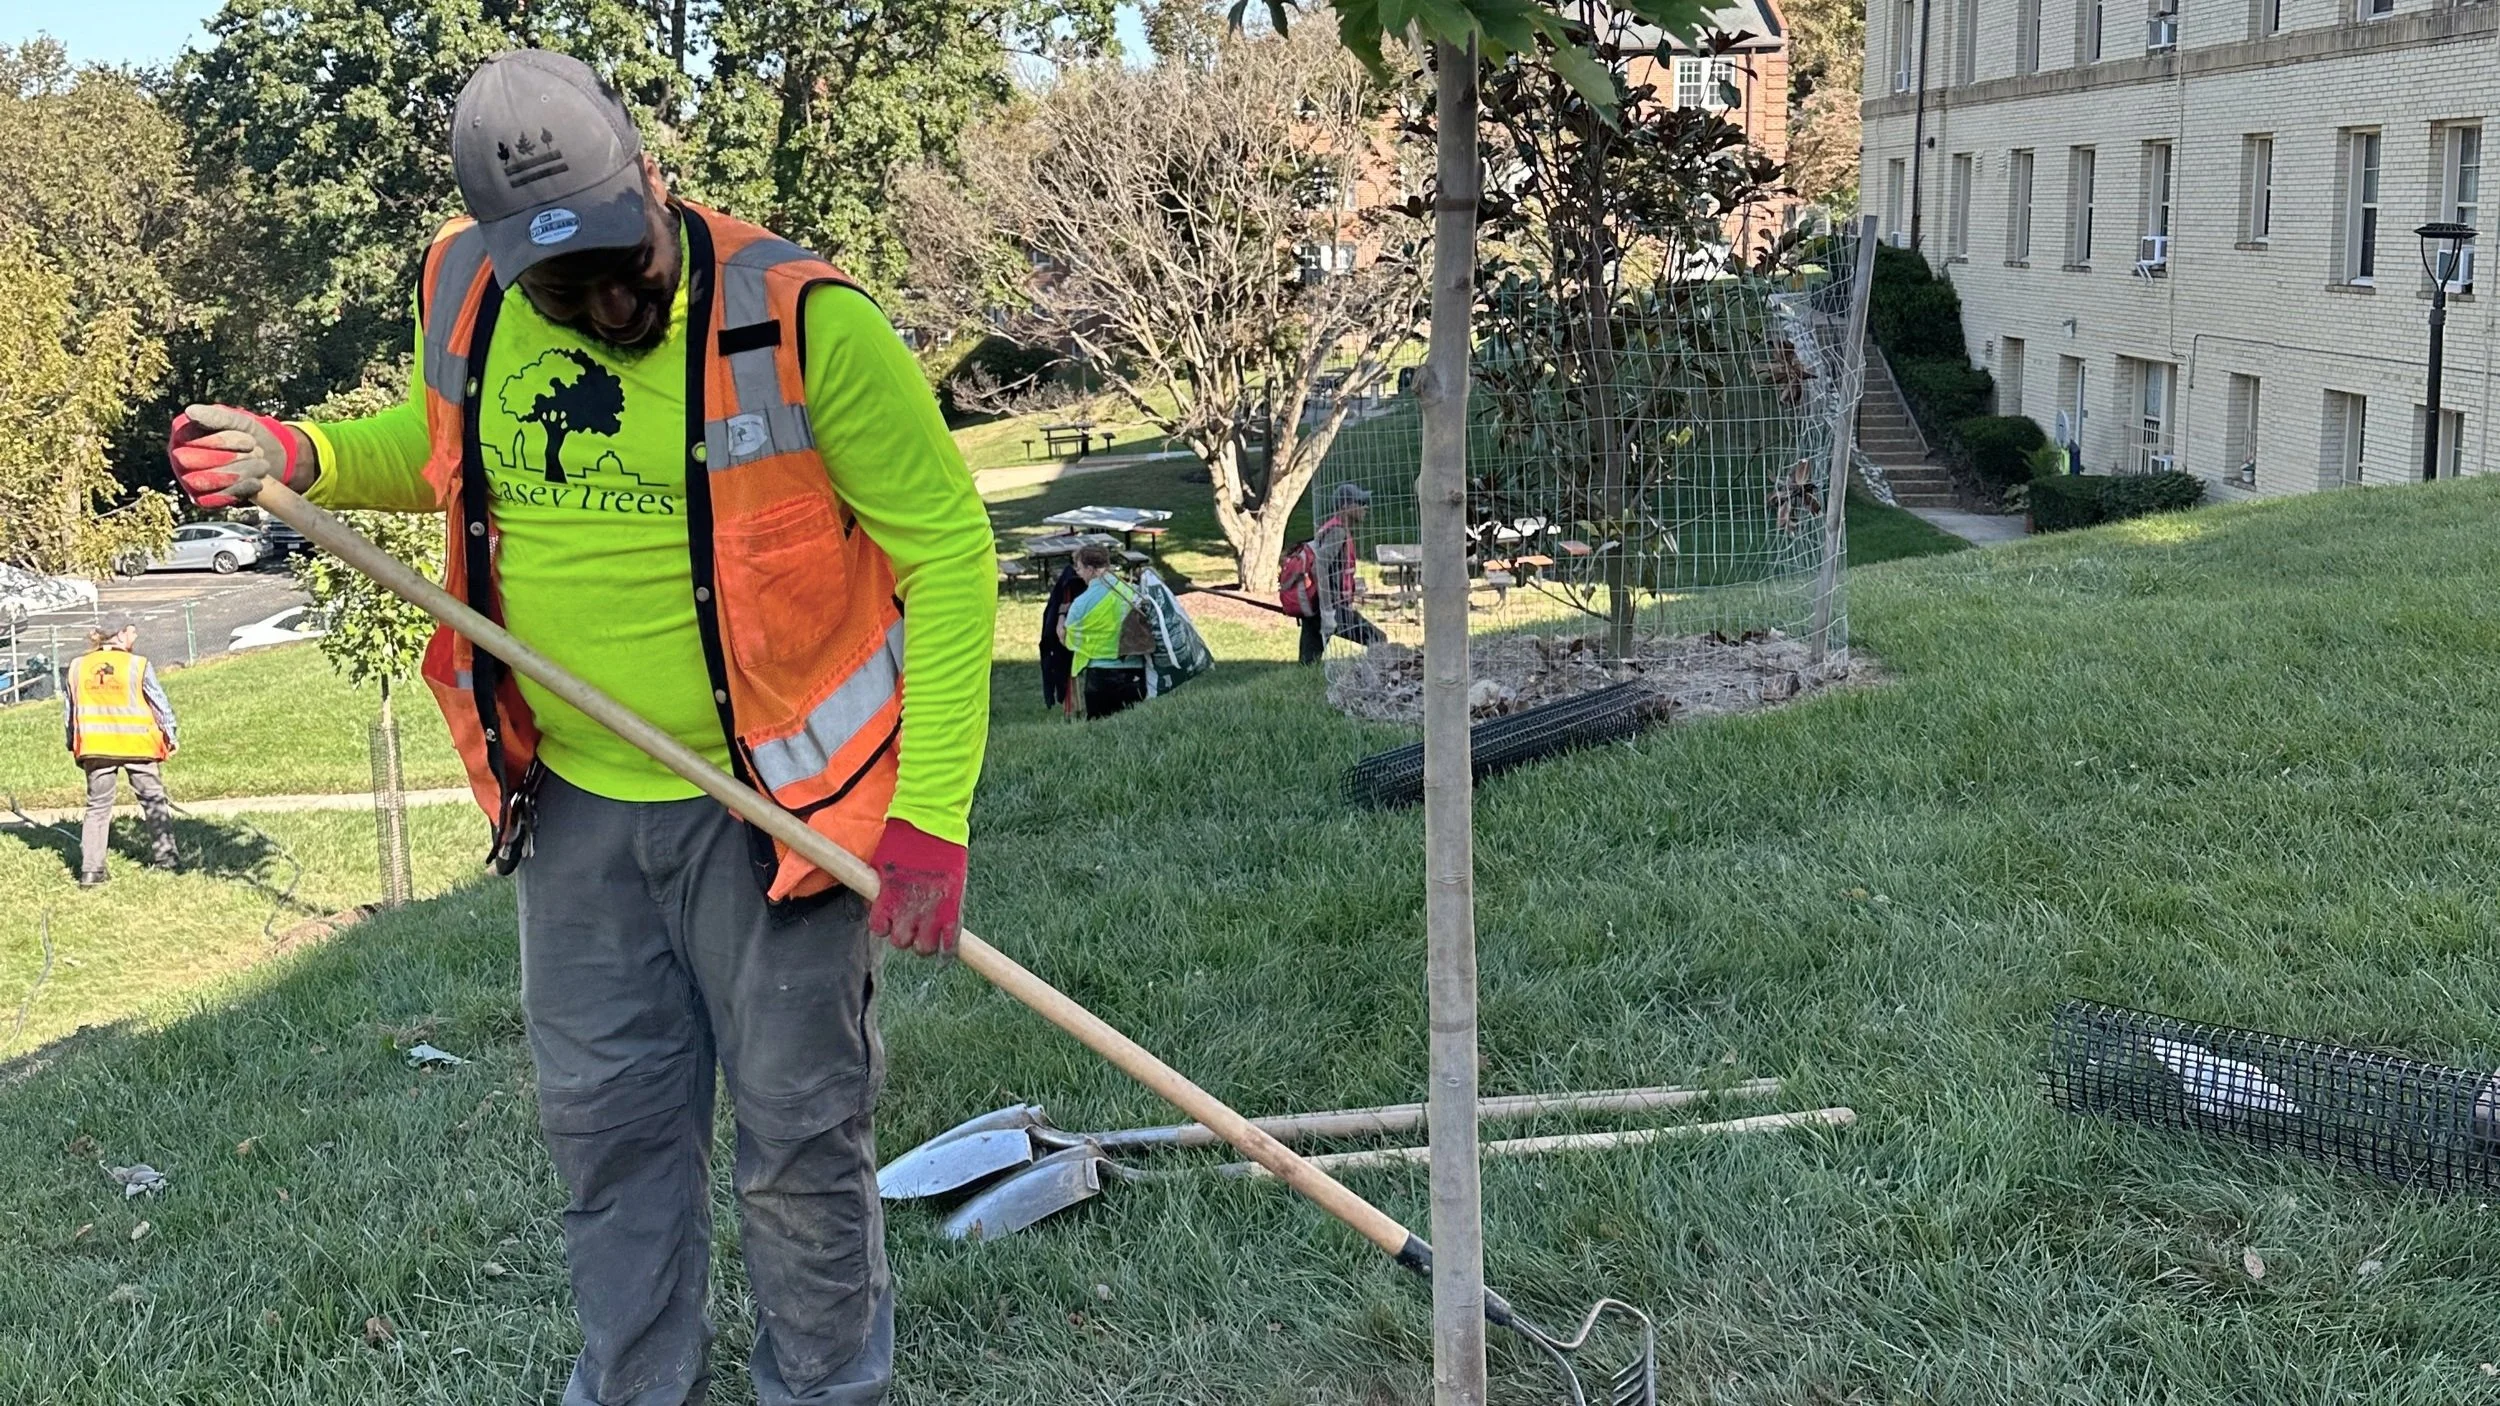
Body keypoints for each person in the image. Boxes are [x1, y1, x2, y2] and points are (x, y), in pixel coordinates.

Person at [162, 51, 994, 1406]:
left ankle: (829, 1389)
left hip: (782, 817)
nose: (609, 304)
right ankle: (633, 1386)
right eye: (566, 286)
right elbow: (441, 447)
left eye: (626, 261)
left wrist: (932, 812)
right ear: (501, 254)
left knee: (800, 1136)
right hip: (581, 817)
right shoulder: (464, 290)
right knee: (610, 1136)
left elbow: (950, 558)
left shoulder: (802, 323)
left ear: (653, 180)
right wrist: (301, 454)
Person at [64, 617, 179, 888]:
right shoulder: (137, 665)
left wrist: (73, 742)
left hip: (96, 747)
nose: (135, 636)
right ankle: (167, 859)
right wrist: (170, 736)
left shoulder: (78, 667)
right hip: (138, 745)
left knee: (97, 808)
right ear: (123, 634)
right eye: (132, 631)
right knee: (153, 802)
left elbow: (70, 712)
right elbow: (158, 703)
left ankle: (91, 871)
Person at [1300, 482, 1387, 664]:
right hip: (1329, 606)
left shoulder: (1334, 528)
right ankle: (1375, 678)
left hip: (1316, 605)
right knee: (1378, 640)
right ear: (1346, 506)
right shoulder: (1338, 532)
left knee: (1308, 662)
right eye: (1361, 502)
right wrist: (1328, 612)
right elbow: (1319, 567)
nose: (1366, 507)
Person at [1059, 544, 1148, 719]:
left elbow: (1066, 639)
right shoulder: (1132, 592)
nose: (1078, 573)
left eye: (1079, 568)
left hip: (1100, 675)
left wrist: (1061, 615)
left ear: (1090, 569)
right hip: (1134, 670)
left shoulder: (1080, 603)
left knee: (1099, 731)